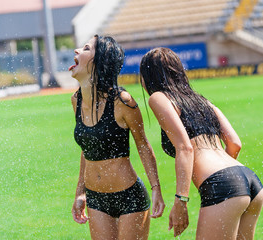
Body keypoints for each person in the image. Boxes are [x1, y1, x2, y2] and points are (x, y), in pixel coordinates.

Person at [139, 47, 263, 239]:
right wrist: (229, 179)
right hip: (250, 180)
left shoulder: (159, 98)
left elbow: (185, 147)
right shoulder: (202, 101)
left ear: (148, 76)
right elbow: (235, 143)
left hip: (225, 185)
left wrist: (181, 200)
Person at [69, 35, 165, 239]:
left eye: (85, 48)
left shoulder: (122, 101)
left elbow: (143, 145)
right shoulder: (76, 100)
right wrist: (81, 192)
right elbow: (87, 149)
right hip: (96, 199)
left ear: (99, 61)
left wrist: (156, 188)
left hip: (129, 196)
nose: (77, 51)